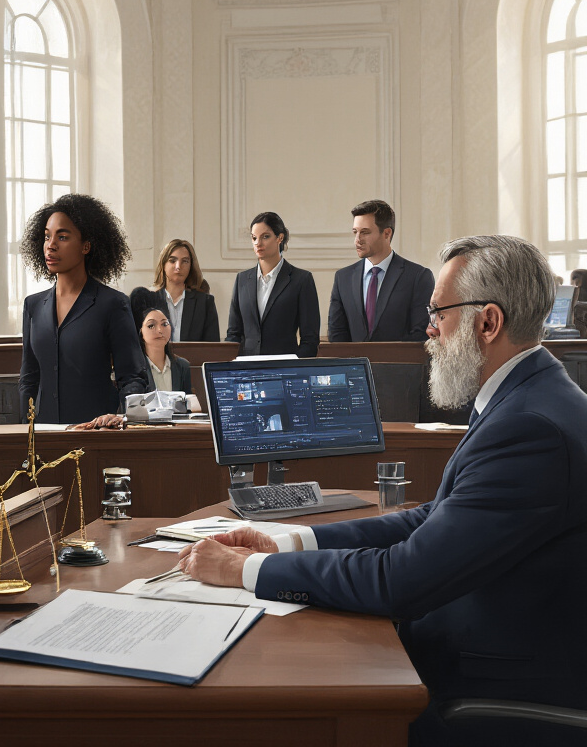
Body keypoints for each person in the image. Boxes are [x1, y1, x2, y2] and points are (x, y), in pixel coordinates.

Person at [178, 235, 587, 746]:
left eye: (438, 312)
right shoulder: (529, 396)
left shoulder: (531, 429)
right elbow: (431, 518)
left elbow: (403, 577)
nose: (429, 328)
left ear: (488, 322)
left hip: (491, 684)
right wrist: (287, 543)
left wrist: (243, 570)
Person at [18, 193, 151, 424]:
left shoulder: (112, 304)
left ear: (86, 246)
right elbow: (29, 379)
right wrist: (23, 433)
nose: (50, 246)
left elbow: (132, 376)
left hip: (96, 435)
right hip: (44, 437)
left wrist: (125, 418)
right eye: (47, 237)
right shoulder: (34, 305)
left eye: (62, 237)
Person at [328, 199, 435, 342]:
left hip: (399, 363)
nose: (357, 240)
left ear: (386, 233)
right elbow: (337, 334)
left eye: (365, 232)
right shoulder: (343, 278)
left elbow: (420, 333)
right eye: (355, 232)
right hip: (355, 364)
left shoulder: (418, 276)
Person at [225, 212, 320, 357]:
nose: (258, 243)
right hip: (246, 370)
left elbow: (310, 339)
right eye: (254, 238)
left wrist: (295, 368)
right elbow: (233, 334)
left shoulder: (301, 279)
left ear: (279, 238)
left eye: (265, 236)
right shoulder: (242, 280)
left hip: (285, 370)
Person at [130, 239, 221, 342]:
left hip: (194, 358)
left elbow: (212, 348)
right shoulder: (148, 301)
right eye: (172, 261)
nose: (178, 267)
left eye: (185, 261)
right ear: (163, 264)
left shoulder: (204, 302)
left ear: (191, 266)